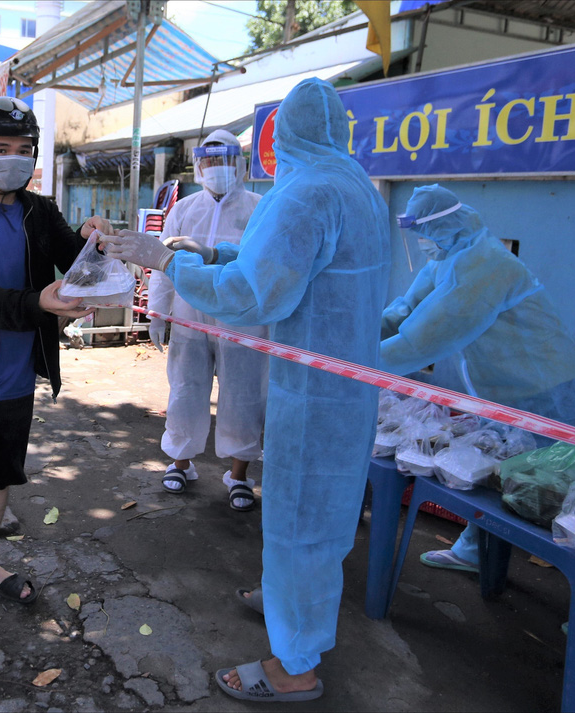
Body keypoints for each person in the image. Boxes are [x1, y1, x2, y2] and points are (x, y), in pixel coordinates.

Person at [103, 78, 390, 702]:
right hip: (344, 384)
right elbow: (286, 262)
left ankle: (295, 667)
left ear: (278, 136)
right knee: (322, 517)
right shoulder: (356, 187)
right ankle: (291, 604)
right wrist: (204, 253)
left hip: (312, 389)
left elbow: (255, 291)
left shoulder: (302, 193)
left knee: (297, 519)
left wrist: (169, 263)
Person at [378, 184, 575, 628]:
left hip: (551, 395)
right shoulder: (446, 259)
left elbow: (427, 336)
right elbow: (404, 311)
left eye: (424, 229)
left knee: (572, 496)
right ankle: (476, 551)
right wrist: (355, 333)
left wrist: (359, 361)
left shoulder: (485, 264)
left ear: (446, 225)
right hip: (506, 397)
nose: (421, 240)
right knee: (499, 476)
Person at [0, 96, 111, 651]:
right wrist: (41, 304)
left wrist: (94, 238)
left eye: (23, 150)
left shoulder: (38, 210)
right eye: (0, 149)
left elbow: (73, 255)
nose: (13, 158)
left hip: (17, 378)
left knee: (1, 478)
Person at [147, 129, 268, 511]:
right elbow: (161, 263)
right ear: (199, 166)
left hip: (243, 320)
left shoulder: (259, 208)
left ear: (240, 165)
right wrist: (158, 312)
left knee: (245, 394)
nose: (216, 169)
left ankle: (239, 475)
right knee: (185, 389)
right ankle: (181, 462)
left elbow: (266, 265)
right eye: (210, 161)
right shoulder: (183, 209)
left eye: (224, 160)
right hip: (189, 316)